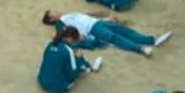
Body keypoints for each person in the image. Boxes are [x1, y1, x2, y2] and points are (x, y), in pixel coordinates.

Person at [42, 10, 170, 57]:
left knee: (123, 30)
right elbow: (60, 36)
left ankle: (151, 40)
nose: (55, 11)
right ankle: (140, 48)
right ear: (51, 19)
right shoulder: (60, 23)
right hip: (91, 29)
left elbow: (85, 17)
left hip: (97, 22)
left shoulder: (67, 15)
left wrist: (104, 19)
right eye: (51, 13)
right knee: (115, 38)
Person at [38, 26, 93, 93]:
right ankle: (87, 66)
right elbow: (73, 73)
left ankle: (86, 64)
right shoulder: (68, 51)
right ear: (70, 39)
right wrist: (78, 59)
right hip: (59, 87)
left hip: (42, 81)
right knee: (79, 68)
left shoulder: (50, 44)